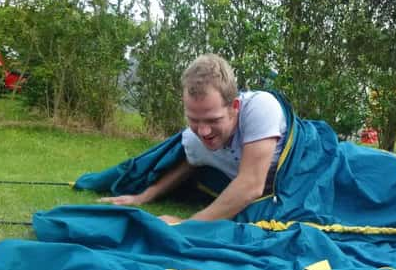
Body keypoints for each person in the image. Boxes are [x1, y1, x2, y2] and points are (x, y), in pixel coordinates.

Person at [99, 54, 287, 224]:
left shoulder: (261, 107)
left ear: (234, 106)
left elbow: (251, 184)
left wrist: (187, 225)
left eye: (213, 120)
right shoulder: (194, 137)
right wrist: (143, 197)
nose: (203, 131)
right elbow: (188, 164)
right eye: (193, 119)